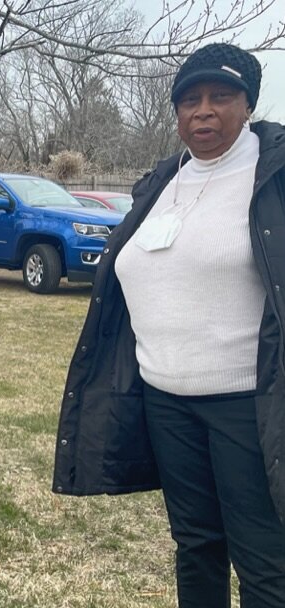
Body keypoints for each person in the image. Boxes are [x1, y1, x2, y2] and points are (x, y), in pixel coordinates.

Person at [53, 43, 285, 607]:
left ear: (247, 103)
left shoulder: (273, 177)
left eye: (220, 97)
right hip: (165, 399)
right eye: (189, 100)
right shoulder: (162, 181)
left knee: (263, 560)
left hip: (245, 402)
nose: (202, 111)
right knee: (196, 544)